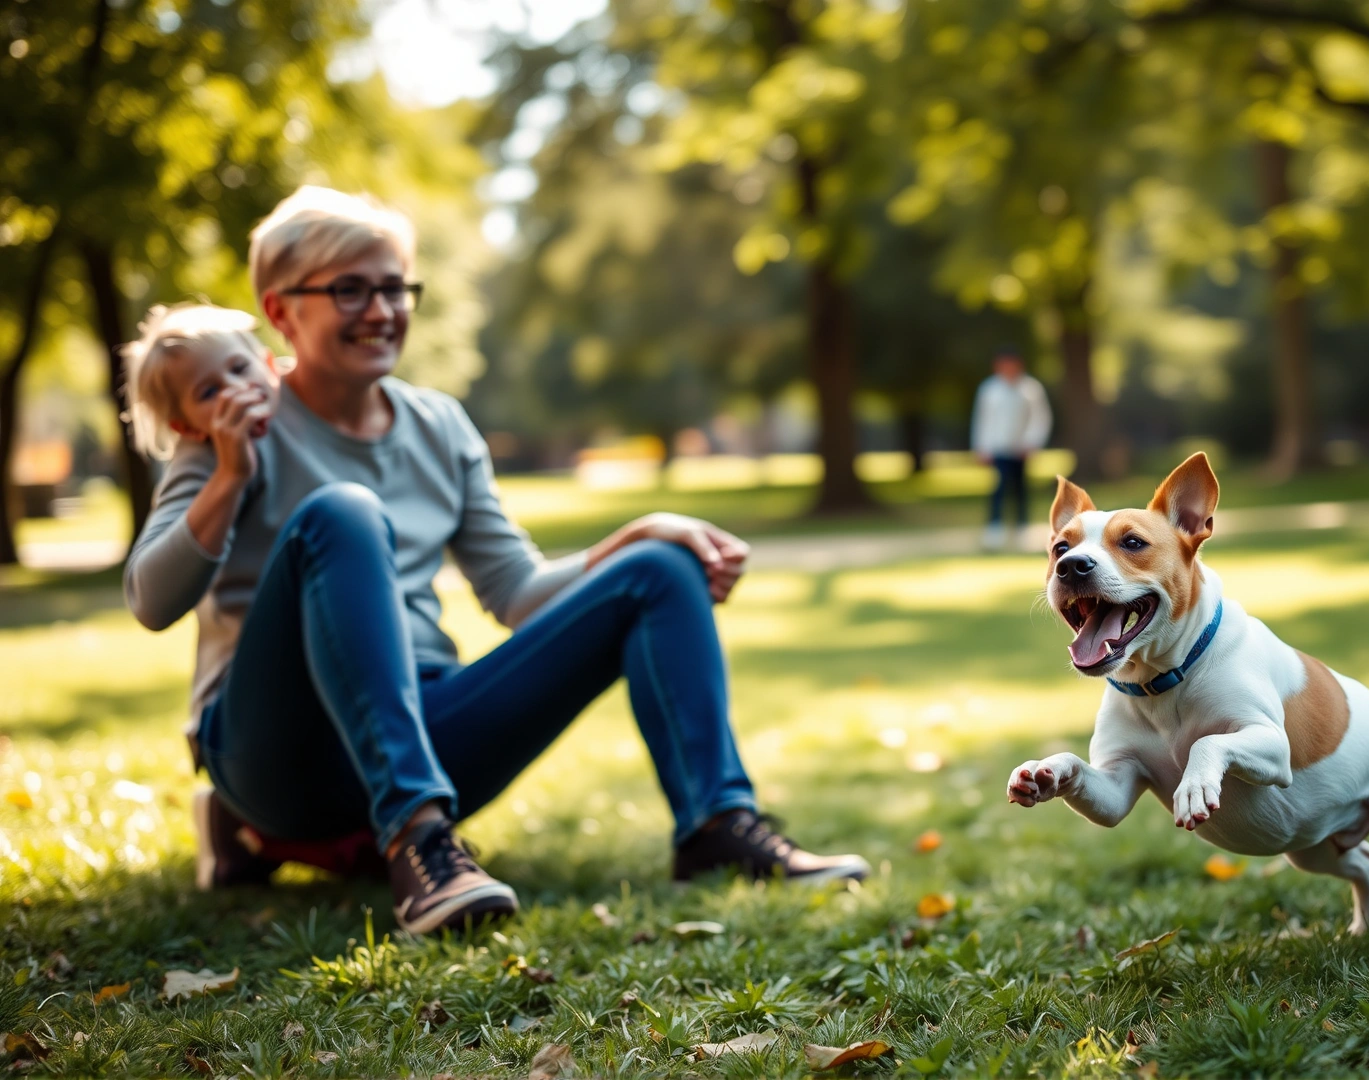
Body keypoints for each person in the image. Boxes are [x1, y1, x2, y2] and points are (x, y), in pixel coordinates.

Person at [123, 187, 868, 934]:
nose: (381, 310)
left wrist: (634, 536)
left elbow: (517, 591)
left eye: (394, 287)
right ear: (281, 311)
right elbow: (151, 603)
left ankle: (716, 827)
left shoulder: (439, 427)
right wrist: (227, 476)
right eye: (350, 289)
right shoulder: (231, 415)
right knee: (341, 512)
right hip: (274, 751)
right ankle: (417, 842)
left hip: (422, 721)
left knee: (659, 565)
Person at [970, 348, 1052, 549]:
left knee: (1020, 488)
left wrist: (1031, 442)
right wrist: (981, 447)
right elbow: (982, 420)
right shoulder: (989, 389)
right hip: (997, 448)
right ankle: (995, 528)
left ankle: (1022, 528)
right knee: (999, 487)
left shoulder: (1030, 388)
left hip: (1020, 449)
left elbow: (1040, 418)